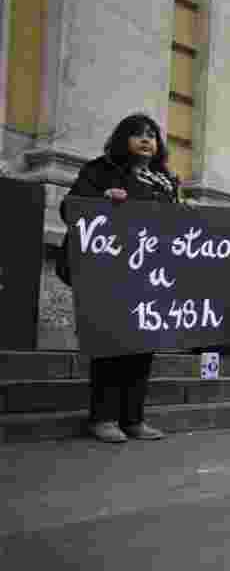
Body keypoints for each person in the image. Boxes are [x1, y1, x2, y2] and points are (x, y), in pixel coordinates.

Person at [60, 113, 180, 443]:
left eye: (152, 135)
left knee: (142, 349)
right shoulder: (100, 170)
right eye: (138, 134)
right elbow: (70, 208)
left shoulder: (165, 180)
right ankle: (102, 418)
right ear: (122, 139)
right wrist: (103, 201)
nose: (147, 140)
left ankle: (133, 419)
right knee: (109, 346)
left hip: (148, 277)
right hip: (109, 276)